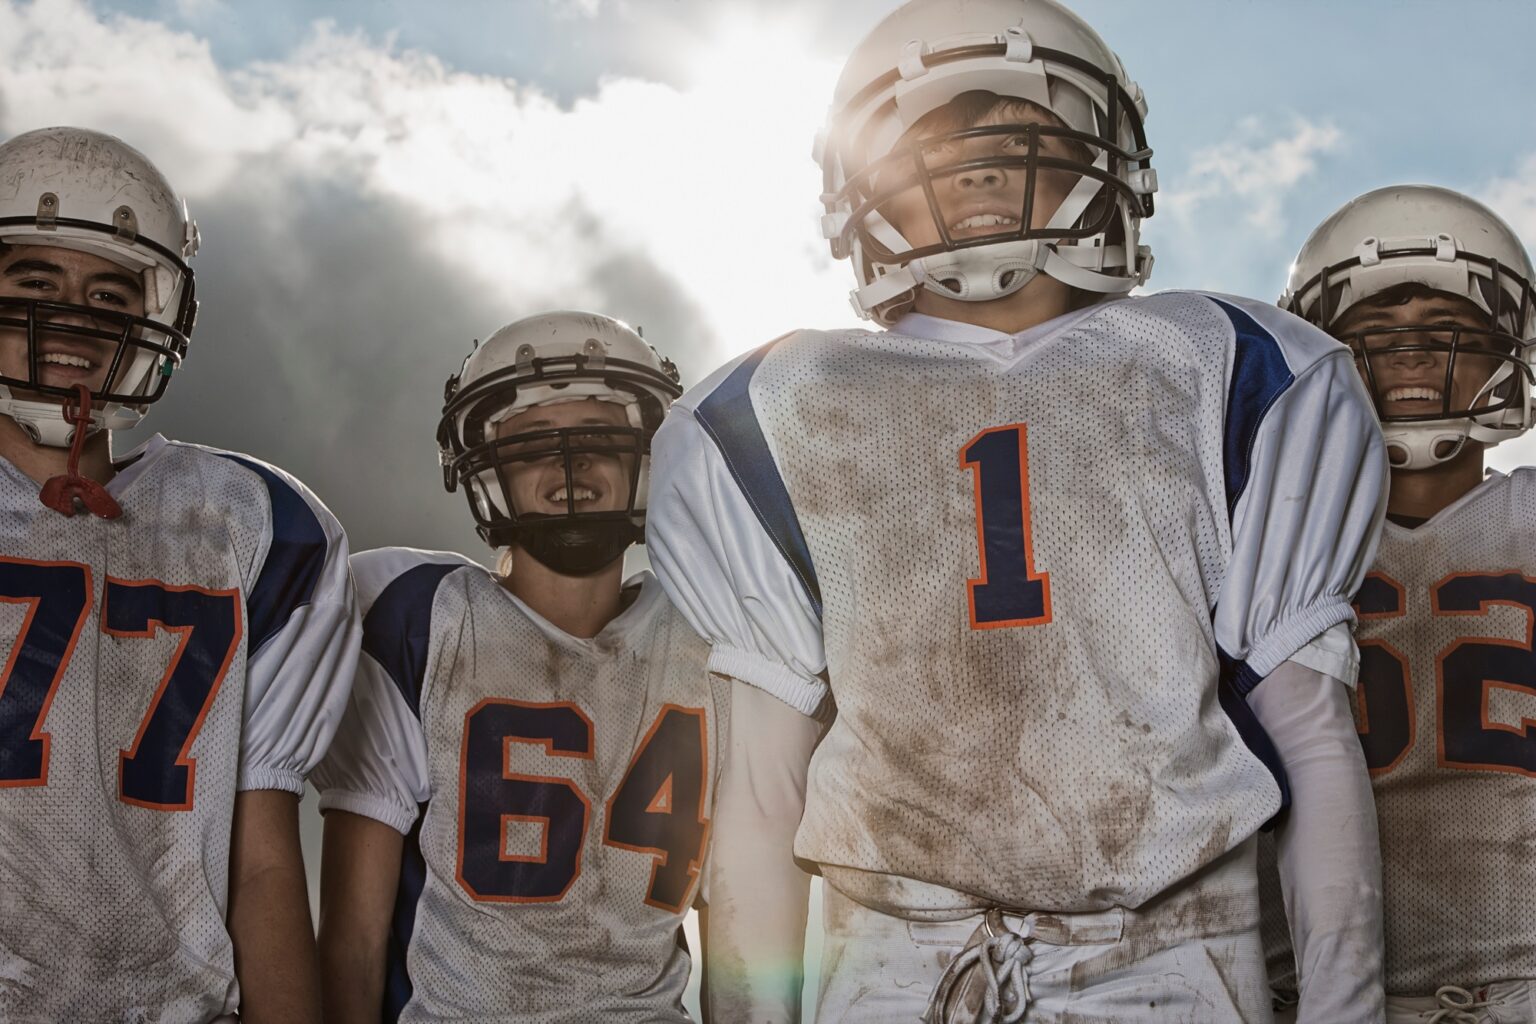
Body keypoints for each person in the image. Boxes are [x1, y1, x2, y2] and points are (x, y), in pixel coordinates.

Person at [644, 1, 1391, 1020]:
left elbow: (1309, 732)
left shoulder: (1233, 365)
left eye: (1020, 140)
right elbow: (762, 789)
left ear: (1107, 161)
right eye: (937, 147)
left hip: (1171, 951)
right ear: (861, 191)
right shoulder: (768, 409)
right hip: (897, 961)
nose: (982, 171)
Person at [0, 126, 358, 1023]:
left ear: (160, 316)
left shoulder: (259, 527)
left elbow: (263, 861)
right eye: (37, 284)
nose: (76, 316)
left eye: (110, 292)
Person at [313, 311, 727, 1023]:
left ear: (648, 458)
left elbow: (740, 911)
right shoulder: (419, 618)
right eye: (534, 445)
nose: (572, 469)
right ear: (484, 468)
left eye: (600, 440)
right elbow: (353, 941)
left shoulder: (714, 630)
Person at [1263, 185, 1536, 1023]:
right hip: (1310, 994)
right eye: (1378, 338)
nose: (1413, 357)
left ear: (1506, 357)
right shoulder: (1254, 544)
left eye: (1449, 336)